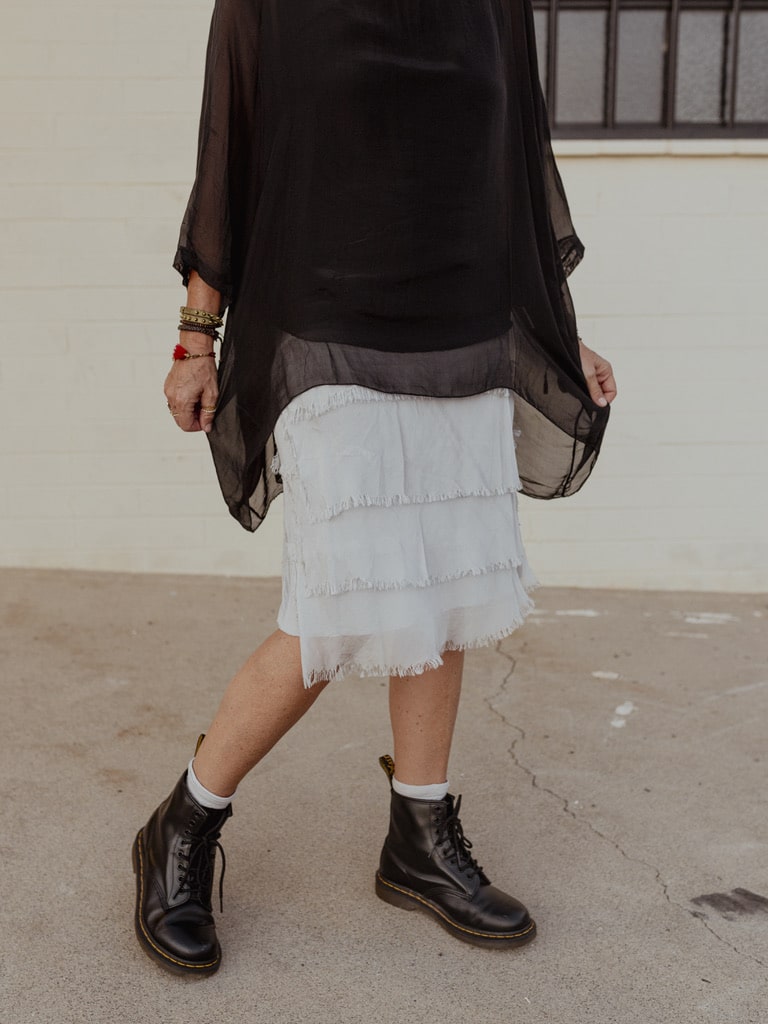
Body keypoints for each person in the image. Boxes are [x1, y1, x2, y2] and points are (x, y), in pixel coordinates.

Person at [133, 0, 616, 975]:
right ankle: (184, 820)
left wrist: (560, 331)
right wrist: (195, 338)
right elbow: (231, 147)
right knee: (342, 602)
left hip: (464, 321)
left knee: (450, 588)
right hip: (329, 323)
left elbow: (517, 170)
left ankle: (419, 834)